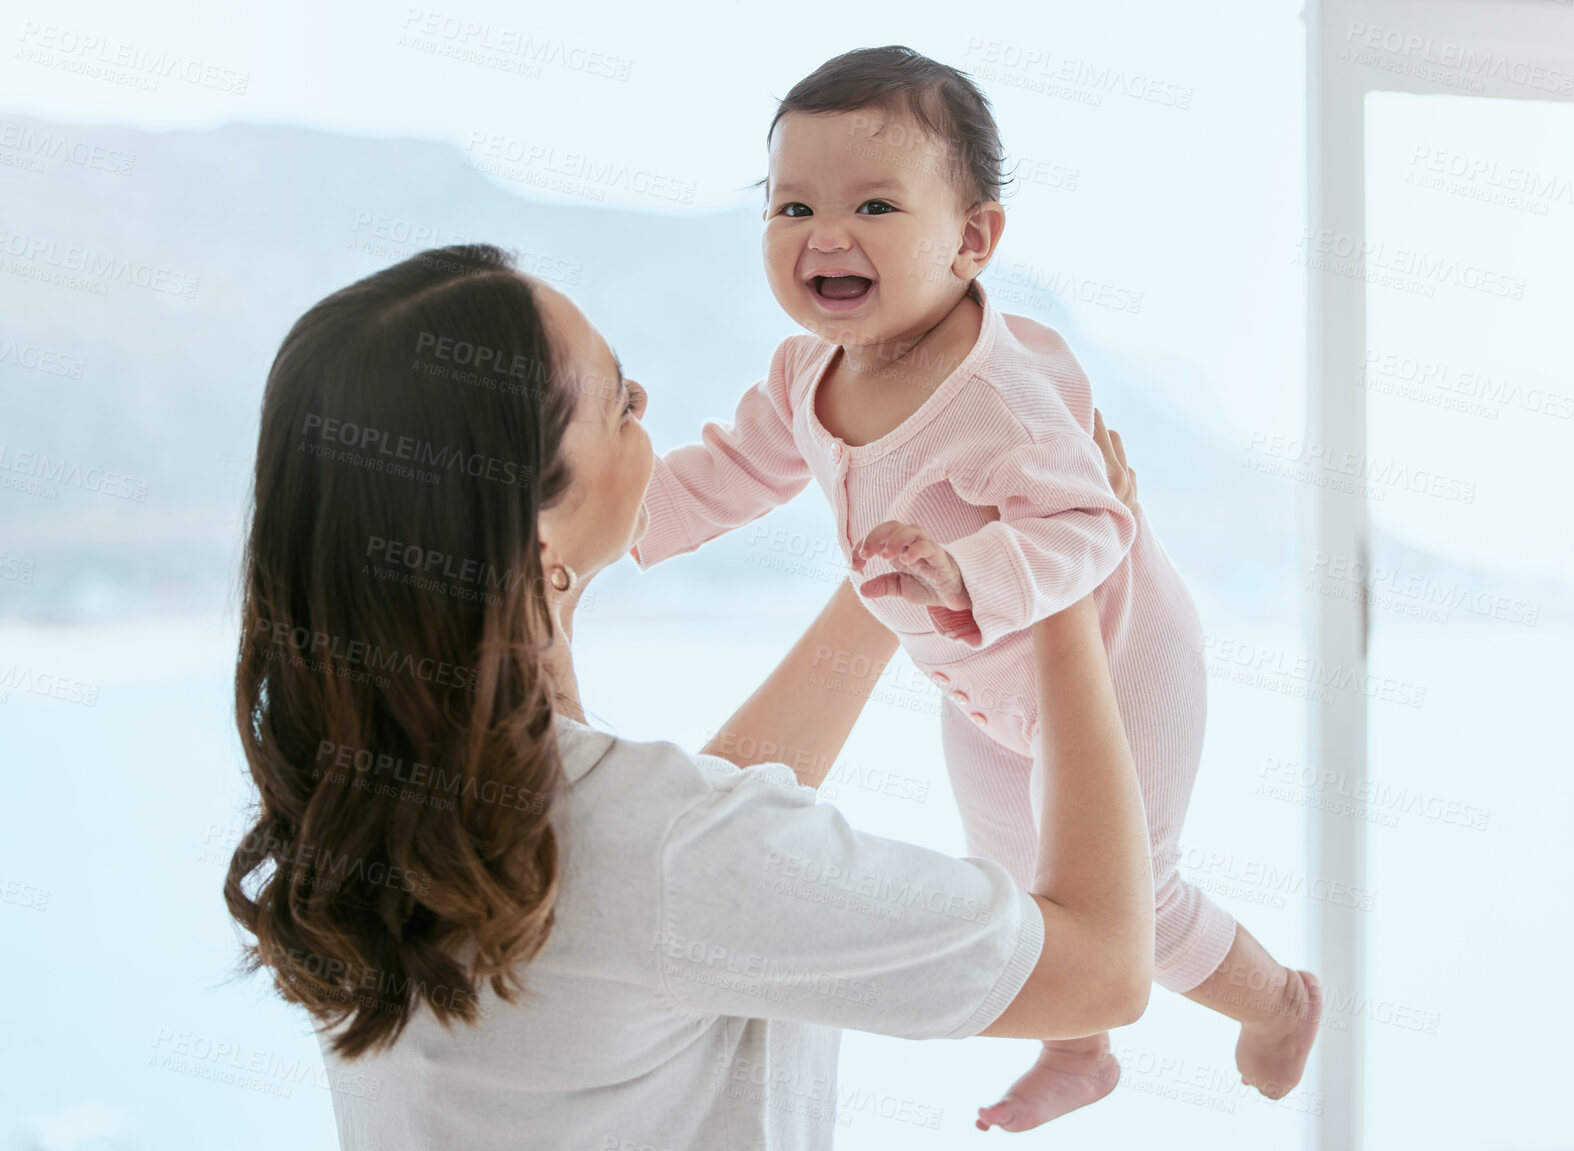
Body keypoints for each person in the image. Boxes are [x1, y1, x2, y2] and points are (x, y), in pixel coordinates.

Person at [224, 243, 1158, 1149]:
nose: (645, 405)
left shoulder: (360, 816)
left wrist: (892, 562)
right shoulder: (661, 851)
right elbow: (1104, 967)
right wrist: (1059, 577)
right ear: (531, 529)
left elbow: (689, 866)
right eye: (617, 402)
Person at [628, 45, 1320, 1132]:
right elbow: (727, 472)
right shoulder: (802, 375)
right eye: (791, 203)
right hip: (976, 682)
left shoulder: (994, 392)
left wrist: (967, 572)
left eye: (873, 203)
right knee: (1016, 879)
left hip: (1118, 658)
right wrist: (614, 518)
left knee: (1133, 887)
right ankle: (1079, 1044)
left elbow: (1092, 520)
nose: (824, 233)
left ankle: (1276, 1000)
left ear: (973, 237)